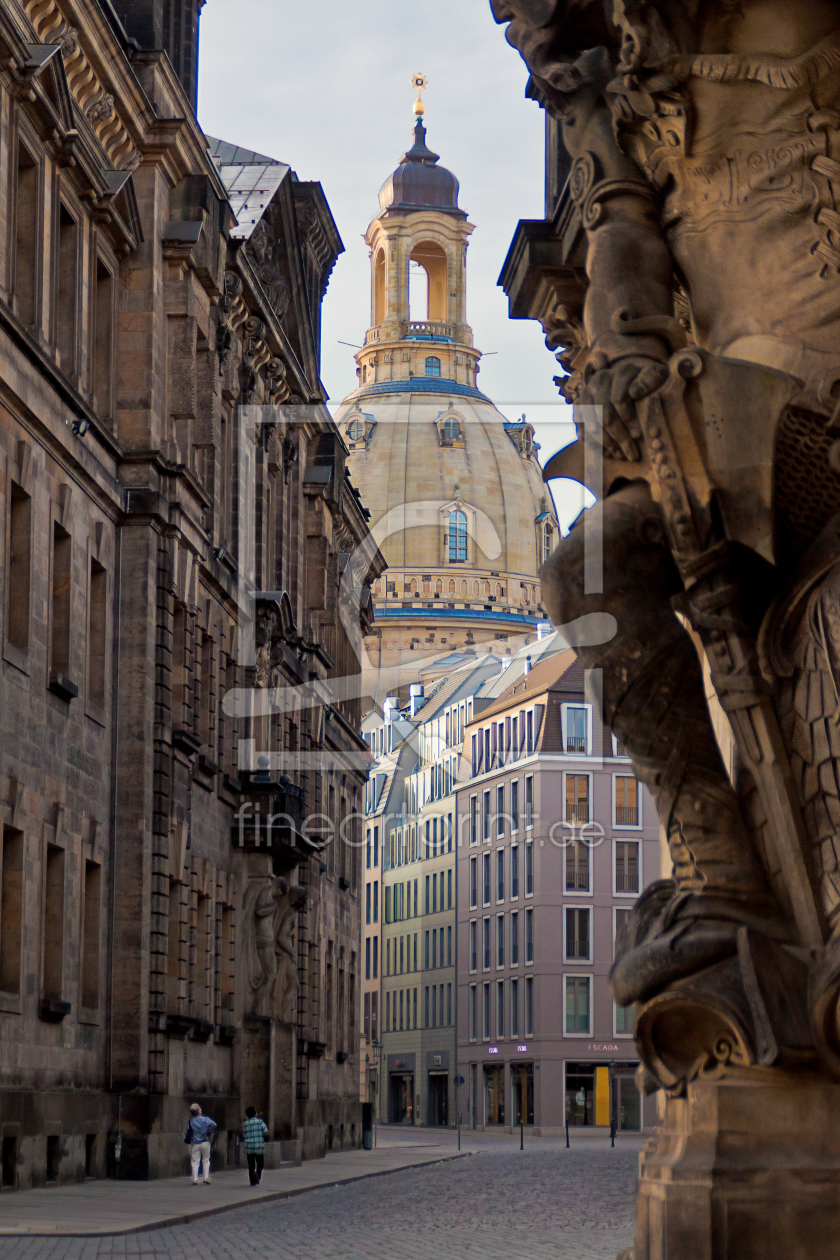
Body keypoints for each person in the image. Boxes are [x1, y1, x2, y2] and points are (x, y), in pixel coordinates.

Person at [185, 1103, 216, 1184]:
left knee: (195, 1161)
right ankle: (205, 1178)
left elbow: (186, 1132)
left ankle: (195, 1179)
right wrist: (209, 1130)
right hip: (205, 1142)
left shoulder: (191, 1121)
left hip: (195, 1143)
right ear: (199, 1110)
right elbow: (214, 1125)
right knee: (206, 1160)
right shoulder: (205, 1119)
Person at [241, 1106, 269, 1186]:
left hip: (249, 1147)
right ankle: (257, 1174)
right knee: (260, 1163)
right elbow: (266, 1132)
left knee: (251, 1164)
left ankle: (252, 1181)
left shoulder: (245, 1124)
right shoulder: (260, 1122)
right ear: (255, 1113)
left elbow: (243, 1134)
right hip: (259, 1146)